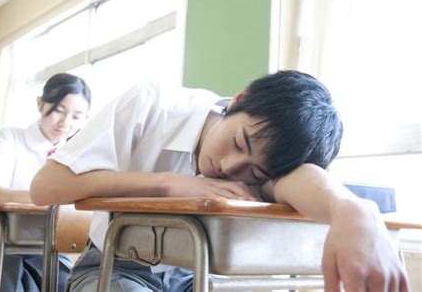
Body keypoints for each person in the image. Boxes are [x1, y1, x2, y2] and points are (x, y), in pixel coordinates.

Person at [31, 70, 409, 292]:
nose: (229, 168)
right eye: (238, 142)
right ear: (238, 100)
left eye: (255, 173)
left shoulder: (268, 159)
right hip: (114, 269)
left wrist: (353, 211)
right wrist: (167, 184)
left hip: (199, 276)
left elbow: (305, 180)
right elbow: (46, 188)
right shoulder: (152, 105)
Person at [0, 73, 91, 292]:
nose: (65, 123)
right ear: (40, 103)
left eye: (77, 116)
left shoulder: (78, 154)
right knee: (7, 283)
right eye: (58, 110)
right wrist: (45, 196)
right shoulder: (12, 138)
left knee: (75, 284)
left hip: (52, 254)